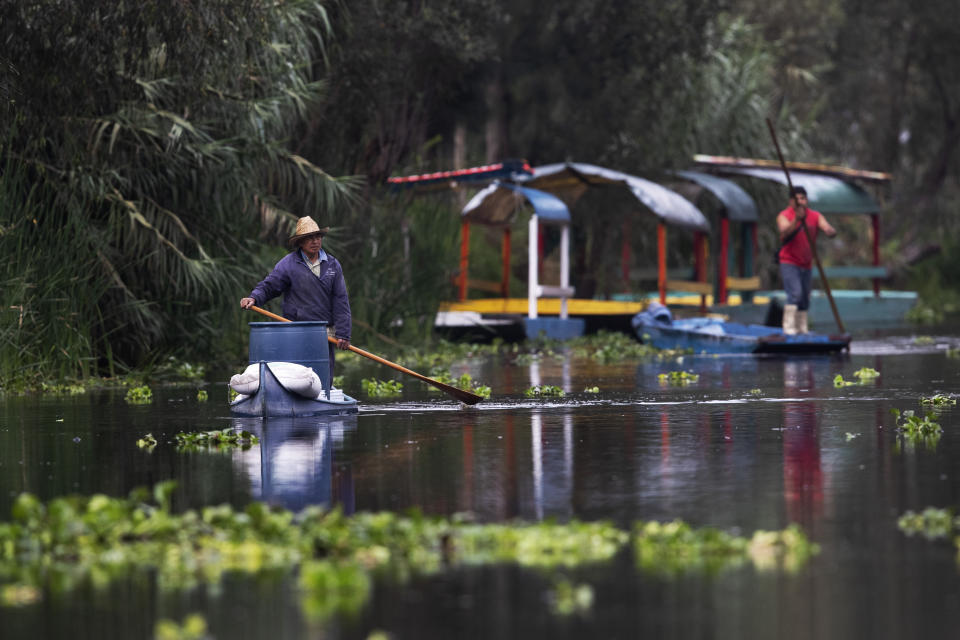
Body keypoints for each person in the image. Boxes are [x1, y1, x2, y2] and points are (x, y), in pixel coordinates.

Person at [240, 216, 351, 382]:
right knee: (296, 374)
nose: (315, 241)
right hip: (296, 328)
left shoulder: (333, 265)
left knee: (323, 374)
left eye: (318, 237)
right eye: (310, 238)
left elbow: (340, 300)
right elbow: (270, 286)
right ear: (300, 242)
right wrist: (254, 298)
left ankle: (323, 394)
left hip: (324, 331)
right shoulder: (288, 264)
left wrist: (343, 333)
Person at [776, 186, 836, 335]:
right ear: (791, 201)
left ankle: (802, 328)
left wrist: (829, 231)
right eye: (797, 199)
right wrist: (797, 219)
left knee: (804, 298)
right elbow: (784, 231)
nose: (801, 202)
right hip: (789, 262)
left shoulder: (815, 216)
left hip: (806, 263)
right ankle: (789, 328)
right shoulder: (784, 215)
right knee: (795, 294)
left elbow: (826, 227)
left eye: (803, 198)